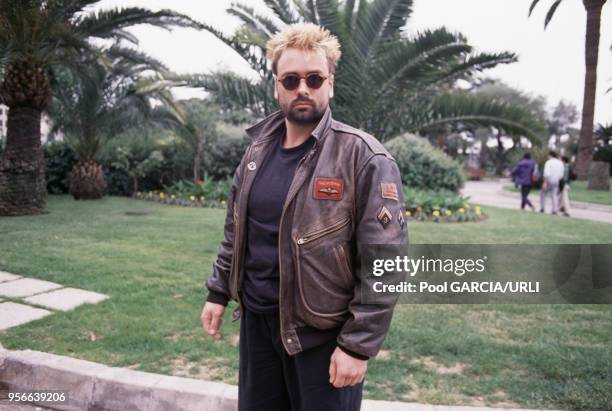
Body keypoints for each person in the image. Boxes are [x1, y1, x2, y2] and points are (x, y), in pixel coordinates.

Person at [200, 23, 408, 411]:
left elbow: (385, 262)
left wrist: (357, 347)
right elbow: (236, 230)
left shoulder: (364, 157)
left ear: (330, 83)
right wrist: (217, 292)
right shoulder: (256, 152)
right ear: (276, 85)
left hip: (323, 337)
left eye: (314, 78)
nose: (303, 89)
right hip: (258, 326)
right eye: (291, 79)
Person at [539, 150, 564, 215]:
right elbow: (561, 175)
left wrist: (545, 182)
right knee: (554, 195)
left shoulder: (549, 162)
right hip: (556, 181)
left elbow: (546, 173)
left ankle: (542, 208)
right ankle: (554, 210)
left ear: (550, 155)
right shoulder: (560, 163)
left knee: (543, 194)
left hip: (548, 180)